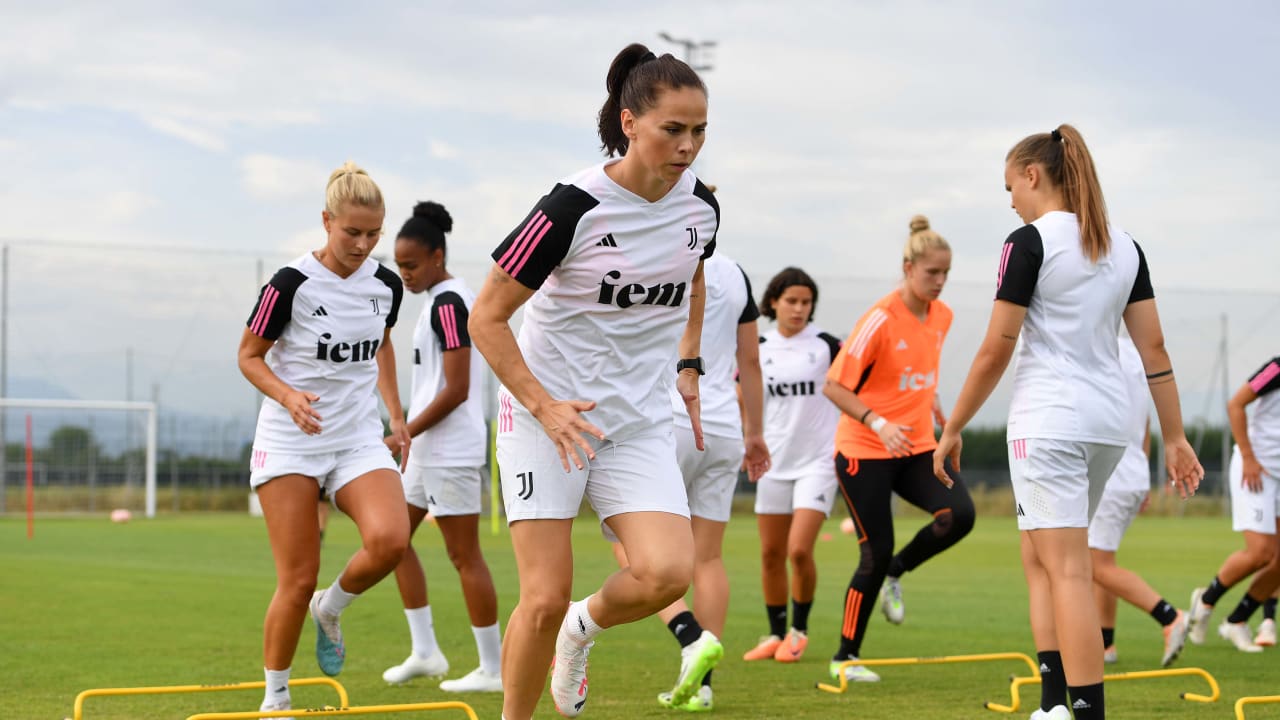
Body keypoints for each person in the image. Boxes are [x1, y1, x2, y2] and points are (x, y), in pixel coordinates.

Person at [468, 43, 722, 720]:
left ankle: (581, 632)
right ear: (630, 121)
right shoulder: (570, 208)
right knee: (543, 596)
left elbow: (695, 273)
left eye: (700, 130)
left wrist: (689, 362)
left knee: (669, 573)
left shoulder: (702, 209)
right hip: (548, 421)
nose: (689, 145)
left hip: (637, 422)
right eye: (674, 129)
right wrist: (543, 406)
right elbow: (486, 318)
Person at [933, 125, 1203, 720]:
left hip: (1049, 422)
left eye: (1010, 186)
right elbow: (1154, 352)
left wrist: (953, 426)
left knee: (1070, 571)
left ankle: (1085, 711)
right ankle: (1054, 704)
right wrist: (1176, 437)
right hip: (1109, 427)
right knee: (1041, 561)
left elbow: (995, 346)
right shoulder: (1125, 245)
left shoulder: (1028, 240)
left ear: (1034, 174)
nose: (1009, 200)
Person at [237, 161, 411, 716]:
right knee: (296, 577)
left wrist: (395, 413)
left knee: (391, 540)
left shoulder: (386, 284)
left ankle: (330, 608)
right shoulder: (289, 284)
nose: (362, 244)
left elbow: (381, 345)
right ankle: (276, 698)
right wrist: (289, 396)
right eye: (351, 232)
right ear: (326, 221)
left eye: (373, 234)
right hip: (291, 443)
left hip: (357, 438)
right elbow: (248, 356)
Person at [611, 247, 771, 712]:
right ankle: (702, 686)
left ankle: (689, 636)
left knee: (628, 541)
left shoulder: (658, 256)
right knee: (708, 558)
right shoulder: (738, 273)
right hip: (723, 429)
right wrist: (755, 434)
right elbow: (751, 364)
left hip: (670, 419)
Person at [822, 216, 976, 683]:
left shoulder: (943, 316)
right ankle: (845, 657)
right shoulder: (879, 319)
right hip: (863, 450)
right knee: (873, 549)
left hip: (915, 447)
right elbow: (834, 386)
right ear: (908, 268)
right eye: (932, 273)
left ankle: (897, 571)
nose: (940, 282)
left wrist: (945, 422)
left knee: (959, 515)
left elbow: (920, 379)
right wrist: (877, 421)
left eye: (946, 273)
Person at [380, 201, 503, 691]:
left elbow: (456, 388)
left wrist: (403, 431)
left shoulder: (452, 302)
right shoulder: (434, 301)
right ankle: (425, 651)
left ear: (436, 256)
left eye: (410, 265)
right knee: (391, 542)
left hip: (449, 450)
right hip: (425, 449)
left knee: (464, 557)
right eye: (399, 266)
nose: (404, 275)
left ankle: (492, 669)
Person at [741, 267, 842, 665]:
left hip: (818, 463)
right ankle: (775, 633)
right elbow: (740, 393)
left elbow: (857, 382)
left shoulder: (828, 346)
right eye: (792, 301)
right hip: (772, 464)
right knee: (770, 553)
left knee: (799, 550)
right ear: (773, 303)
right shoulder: (757, 346)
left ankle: (799, 633)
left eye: (806, 302)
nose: (799, 309)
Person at [1088, 335, 1188, 667]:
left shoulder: (1098, 347)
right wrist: (1143, 478)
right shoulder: (1137, 352)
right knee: (1104, 563)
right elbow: (1144, 422)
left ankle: (1170, 616)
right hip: (1132, 472)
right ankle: (1105, 645)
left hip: (1111, 473)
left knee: (1094, 566)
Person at [1186, 354, 1280, 652]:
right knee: (1262, 552)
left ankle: (1236, 621)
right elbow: (1235, 404)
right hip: (1255, 469)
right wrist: (1250, 458)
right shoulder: (1277, 368)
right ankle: (1206, 599)